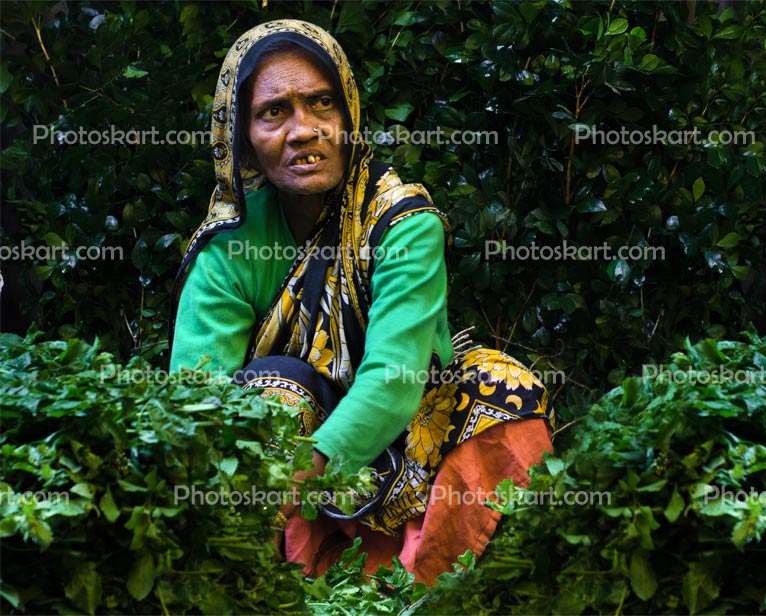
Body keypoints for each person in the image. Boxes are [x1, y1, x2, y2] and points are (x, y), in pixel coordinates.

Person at [169, 19, 555, 585]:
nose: (304, 131)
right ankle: (292, 582)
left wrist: (301, 479)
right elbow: (194, 397)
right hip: (286, 463)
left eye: (321, 104)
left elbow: (393, 380)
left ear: (348, 116)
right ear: (240, 135)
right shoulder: (231, 244)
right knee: (270, 394)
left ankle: (428, 580)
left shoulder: (403, 224)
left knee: (502, 387)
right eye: (274, 112)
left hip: (404, 433)